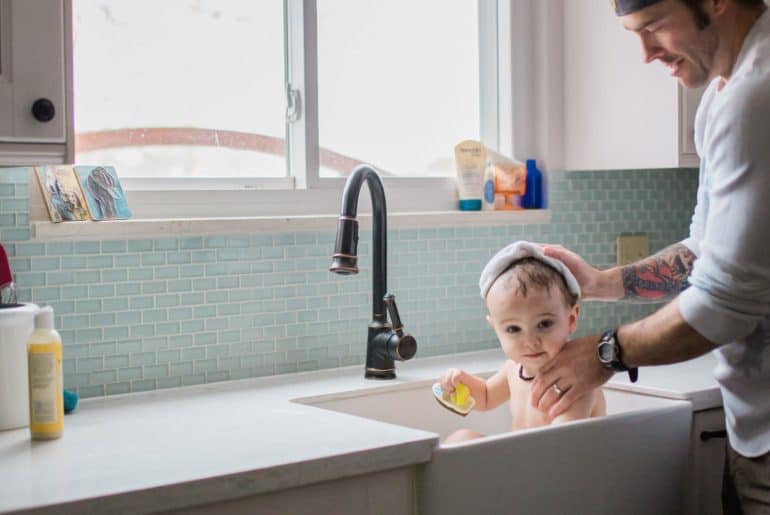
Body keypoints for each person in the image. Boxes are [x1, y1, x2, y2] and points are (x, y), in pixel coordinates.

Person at [529, 0, 770, 512]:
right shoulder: (722, 94)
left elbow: (723, 306)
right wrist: (603, 282)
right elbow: (705, 248)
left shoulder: (757, 95)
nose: (644, 53)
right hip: (752, 425)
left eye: (656, 26)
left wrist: (605, 353)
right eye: (635, 33)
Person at [439, 241, 606, 444]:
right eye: (513, 329)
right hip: (526, 463)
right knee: (461, 438)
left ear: (571, 319)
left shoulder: (578, 379)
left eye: (544, 324)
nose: (530, 341)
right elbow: (485, 396)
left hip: (565, 469)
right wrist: (461, 382)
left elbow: (560, 444)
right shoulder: (514, 368)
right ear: (495, 328)